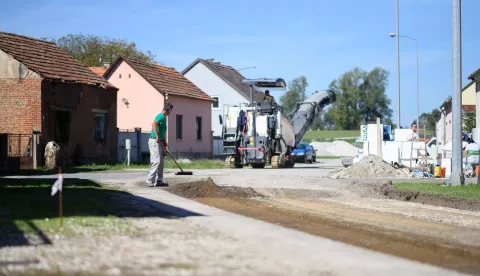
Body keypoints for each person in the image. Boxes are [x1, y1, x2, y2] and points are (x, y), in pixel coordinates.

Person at [146, 102, 173, 187]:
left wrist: (165, 144)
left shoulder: (164, 118)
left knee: (161, 162)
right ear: (168, 110)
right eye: (170, 111)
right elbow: (153, 124)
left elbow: (162, 134)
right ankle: (150, 180)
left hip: (159, 141)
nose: (170, 113)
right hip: (154, 142)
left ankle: (159, 181)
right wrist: (157, 136)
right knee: (156, 161)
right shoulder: (160, 116)